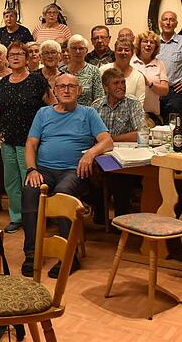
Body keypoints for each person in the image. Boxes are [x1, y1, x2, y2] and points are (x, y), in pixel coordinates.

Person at [21, 73, 113, 277]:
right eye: (61, 86)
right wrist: (32, 169)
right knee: (30, 190)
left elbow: (107, 141)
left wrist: (90, 154)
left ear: (79, 90)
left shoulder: (88, 113)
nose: (66, 90)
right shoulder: (43, 113)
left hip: (74, 171)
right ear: (55, 90)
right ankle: (31, 253)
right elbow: (31, 144)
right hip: (43, 170)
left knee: (64, 193)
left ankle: (69, 256)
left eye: (71, 86)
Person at [0, 42, 55, 234]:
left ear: (27, 58)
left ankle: (32, 217)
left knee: (31, 181)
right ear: (8, 59)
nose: (16, 57)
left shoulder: (36, 81)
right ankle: (16, 217)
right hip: (7, 140)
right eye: (12, 54)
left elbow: (52, 106)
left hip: (30, 142)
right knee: (11, 181)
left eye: (20, 54)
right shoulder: (3, 82)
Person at [92, 68, 145, 218]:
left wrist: (111, 139)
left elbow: (141, 134)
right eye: (116, 83)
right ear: (105, 87)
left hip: (125, 158)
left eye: (123, 82)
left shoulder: (132, 103)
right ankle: (100, 216)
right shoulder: (96, 105)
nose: (121, 86)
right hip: (101, 155)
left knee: (119, 178)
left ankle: (121, 218)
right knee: (91, 173)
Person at [131, 31, 169, 123]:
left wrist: (150, 84)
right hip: (132, 115)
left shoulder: (159, 64)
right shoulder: (130, 62)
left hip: (152, 116)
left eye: (152, 42)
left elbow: (165, 90)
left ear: (155, 47)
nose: (148, 45)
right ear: (139, 45)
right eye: (145, 41)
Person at [100, 38, 147, 105]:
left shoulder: (138, 76)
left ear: (132, 53)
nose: (123, 52)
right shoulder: (103, 70)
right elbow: (98, 98)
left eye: (126, 50)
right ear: (114, 52)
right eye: (119, 50)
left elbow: (139, 104)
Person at [59, 34, 103, 106]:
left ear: (86, 51)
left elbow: (99, 98)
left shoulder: (94, 71)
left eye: (81, 48)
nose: (78, 51)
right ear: (69, 50)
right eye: (74, 48)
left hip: (87, 114)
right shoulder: (61, 71)